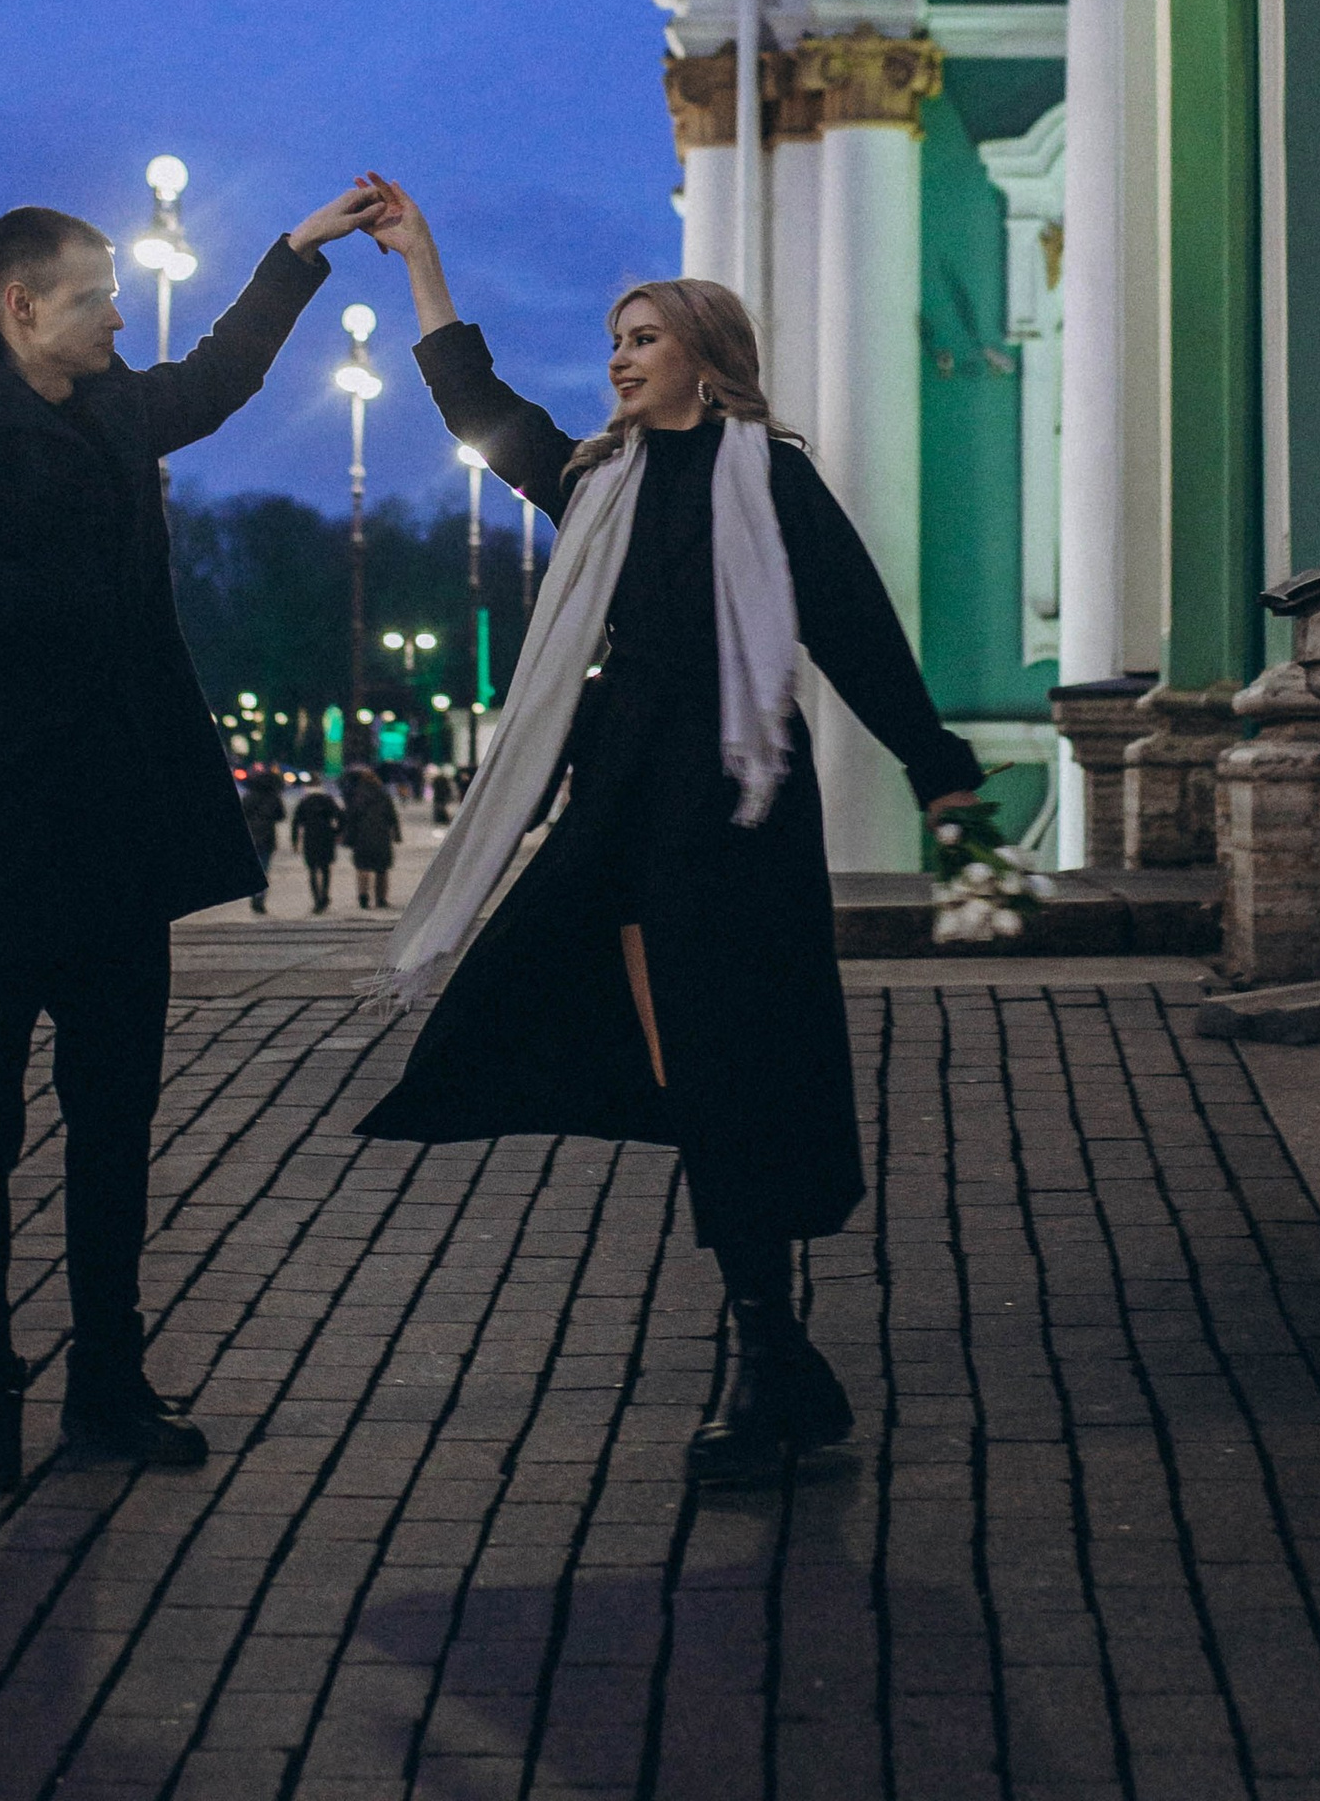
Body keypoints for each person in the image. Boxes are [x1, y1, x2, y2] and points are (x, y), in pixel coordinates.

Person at [354, 185, 980, 1491]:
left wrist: (939, 772)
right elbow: (475, 402)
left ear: (706, 357)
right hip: (625, 810)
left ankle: (770, 1360)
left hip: (739, 810)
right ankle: (774, 1357)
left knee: (729, 1071)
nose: (619, 359)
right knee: (687, 1067)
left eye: (643, 338)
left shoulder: (774, 480)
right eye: (614, 341)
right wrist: (422, 259)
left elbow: (855, 630)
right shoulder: (595, 481)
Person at [0, 183, 385, 1494]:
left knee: (115, 1121)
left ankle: (108, 1385)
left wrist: (297, 253)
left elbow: (225, 375)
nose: (120, 318)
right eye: (96, 299)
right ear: (21, 308)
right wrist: (7, 596)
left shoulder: (123, 412)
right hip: (3, 830)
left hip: (120, 828)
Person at [342, 761, 401, 909]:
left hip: (362, 837)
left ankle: (363, 896)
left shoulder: (356, 796)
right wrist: (396, 834)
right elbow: (392, 816)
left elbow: (351, 818)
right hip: (381, 836)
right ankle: (381, 898)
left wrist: (348, 837)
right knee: (382, 870)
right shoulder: (384, 795)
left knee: (363, 868)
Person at [290, 781, 343, 913]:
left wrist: (295, 841)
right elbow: (341, 816)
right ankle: (324, 895)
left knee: (312, 870)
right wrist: (338, 832)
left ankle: (316, 899)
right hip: (327, 837)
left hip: (310, 838)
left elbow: (296, 822)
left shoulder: (304, 802)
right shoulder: (327, 800)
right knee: (325, 869)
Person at [241, 764, 284, 913]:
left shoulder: (249, 797)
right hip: (267, 837)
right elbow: (281, 816)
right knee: (264, 868)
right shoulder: (273, 798)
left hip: (251, 835)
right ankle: (260, 899)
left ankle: (254, 895)